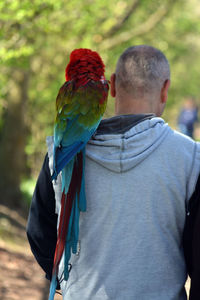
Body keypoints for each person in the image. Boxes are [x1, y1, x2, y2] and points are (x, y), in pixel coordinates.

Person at [27, 45, 200, 300]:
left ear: (113, 86)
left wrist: (73, 284)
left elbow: (40, 234)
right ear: (166, 89)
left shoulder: (55, 154)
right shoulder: (192, 158)